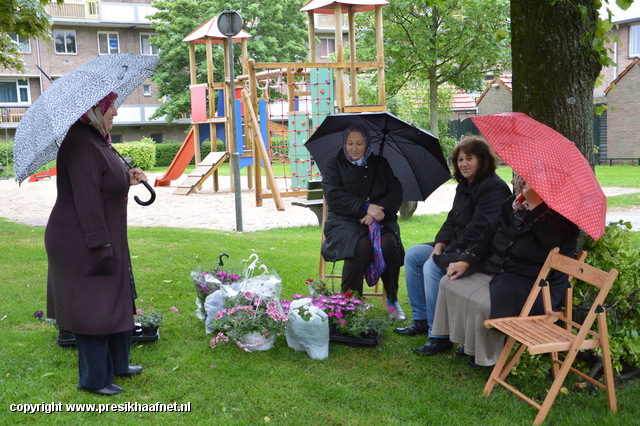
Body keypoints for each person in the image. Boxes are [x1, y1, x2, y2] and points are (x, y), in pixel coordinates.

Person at [45, 92, 148, 395]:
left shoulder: (96, 140)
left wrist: (127, 178)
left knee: (115, 298)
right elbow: (88, 202)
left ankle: (118, 364)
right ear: (92, 110)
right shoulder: (80, 144)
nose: (115, 111)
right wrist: (100, 246)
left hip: (102, 234)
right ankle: (93, 379)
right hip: (83, 240)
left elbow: (102, 183)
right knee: (93, 307)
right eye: (109, 106)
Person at [429, 177, 579, 367]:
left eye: (528, 180)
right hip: (499, 269)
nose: (521, 183)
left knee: (484, 304)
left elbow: (551, 240)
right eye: (521, 178)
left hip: (533, 284)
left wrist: (535, 204)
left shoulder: (564, 215)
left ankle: (486, 357)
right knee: (449, 282)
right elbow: (487, 235)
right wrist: (466, 261)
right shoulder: (513, 203)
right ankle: (469, 343)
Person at [395, 135, 511, 355]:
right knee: (414, 255)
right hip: (456, 244)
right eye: (459, 160)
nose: (463, 164)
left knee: (431, 267)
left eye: (469, 158)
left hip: (478, 251)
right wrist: (439, 244)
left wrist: (446, 252)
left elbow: (480, 229)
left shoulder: (493, 188)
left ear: (483, 160)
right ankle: (421, 319)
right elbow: (452, 218)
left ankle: (439, 335)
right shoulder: (465, 186)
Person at [321, 125, 406, 319]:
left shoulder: (380, 164)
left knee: (388, 244)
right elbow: (334, 197)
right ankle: (350, 303)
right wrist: (365, 207)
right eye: (350, 143)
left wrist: (379, 211)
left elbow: (395, 191)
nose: (354, 148)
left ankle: (392, 300)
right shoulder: (335, 165)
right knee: (360, 246)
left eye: (359, 143)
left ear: (367, 144)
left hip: (381, 221)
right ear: (345, 143)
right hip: (345, 222)